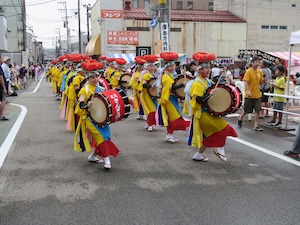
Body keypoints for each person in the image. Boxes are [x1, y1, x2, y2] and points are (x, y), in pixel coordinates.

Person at [183, 52, 237, 161]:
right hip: (202, 114)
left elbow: (213, 87)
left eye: (209, 68)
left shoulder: (206, 80)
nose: (208, 70)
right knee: (224, 128)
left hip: (207, 112)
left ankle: (198, 155)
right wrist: (210, 94)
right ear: (200, 70)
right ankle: (220, 148)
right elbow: (197, 99)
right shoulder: (197, 83)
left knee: (210, 136)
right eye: (206, 68)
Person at [74, 60, 120, 170]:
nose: (95, 79)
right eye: (92, 77)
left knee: (105, 137)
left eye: (96, 77)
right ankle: (107, 160)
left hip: (101, 117)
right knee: (101, 138)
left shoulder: (101, 88)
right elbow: (80, 102)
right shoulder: (84, 89)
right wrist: (85, 105)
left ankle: (93, 156)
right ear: (88, 78)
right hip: (90, 118)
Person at [156, 53, 190, 143]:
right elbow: (171, 88)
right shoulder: (166, 77)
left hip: (172, 98)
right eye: (171, 66)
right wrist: (182, 84)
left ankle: (169, 134)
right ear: (167, 67)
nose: (174, 67)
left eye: (173, 65)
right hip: (168, 99)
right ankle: (169, 134)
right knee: (174, 117)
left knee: (174, 117)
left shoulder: (170, 75)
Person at [237, 56, 264, 131]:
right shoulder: (248, 71)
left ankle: (256, 125)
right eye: (256, 62)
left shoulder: (260, 72)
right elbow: (245, 81)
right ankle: (240, 117)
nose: (258, 63)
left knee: (258, 110)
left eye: (259, 62)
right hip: (249, 95)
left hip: (257, 94)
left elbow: (260, 82)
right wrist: (248, 90)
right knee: (247, 110)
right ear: (252, 63)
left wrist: (264, 81)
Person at [0, 55, 9, 121]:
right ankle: (1, 115)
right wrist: (4, 88)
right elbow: (1, 77)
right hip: (1, 86)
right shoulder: (2, 66)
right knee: (3, 100)